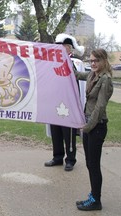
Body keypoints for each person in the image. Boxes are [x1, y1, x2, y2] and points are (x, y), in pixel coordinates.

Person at [75, 48, 113, 211]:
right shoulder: (92, 75)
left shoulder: (105, 80)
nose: (93, 63)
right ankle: (93, 195)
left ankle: (96, 200)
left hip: (96, 126)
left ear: (104, 61)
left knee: (94, 164)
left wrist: (87, 127)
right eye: (91, 61)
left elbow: (100, 106)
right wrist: (64, 61)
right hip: (89, 124)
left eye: (96, 61)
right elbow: (78, 75)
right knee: (90, 164)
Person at [45, 33, 86, 171]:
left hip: (68, 103)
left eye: (63, 46)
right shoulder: (52, 61)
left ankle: (70, 159)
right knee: (55, 131)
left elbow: (79, 82)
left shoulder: (76, 63)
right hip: (54, 101)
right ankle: (57, 156)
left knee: (68, 133)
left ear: (69, 48)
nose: (61, 49)